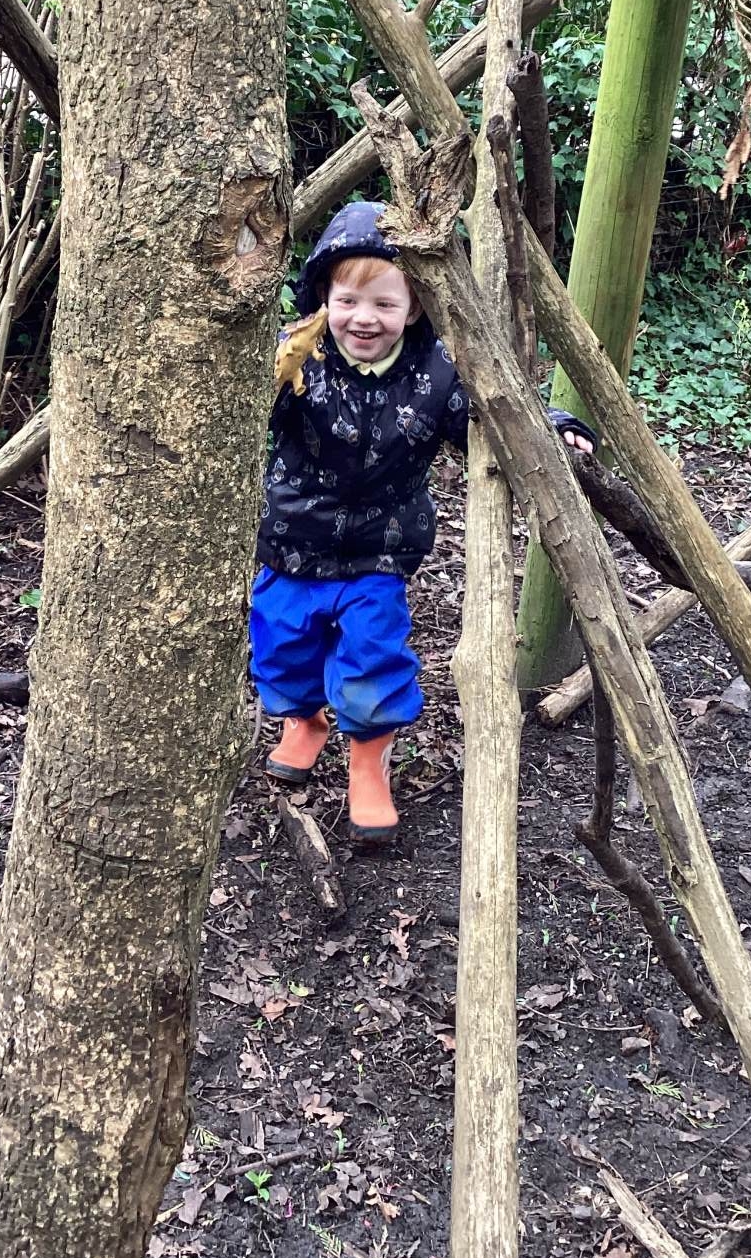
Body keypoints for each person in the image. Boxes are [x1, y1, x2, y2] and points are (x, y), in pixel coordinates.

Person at [251, 201, 593, 845]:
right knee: (281, 649)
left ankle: (368, 759)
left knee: (372, 658)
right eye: (349, 301)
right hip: (291, 542)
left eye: (386, 303)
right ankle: (303, 720)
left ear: (414, 308)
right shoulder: (297, 358)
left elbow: (493, 414)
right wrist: (258, 385)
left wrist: (553, 429)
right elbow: (241, 409)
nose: (365, 318)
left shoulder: (436, 371)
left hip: (379, 552)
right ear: (324, 298)